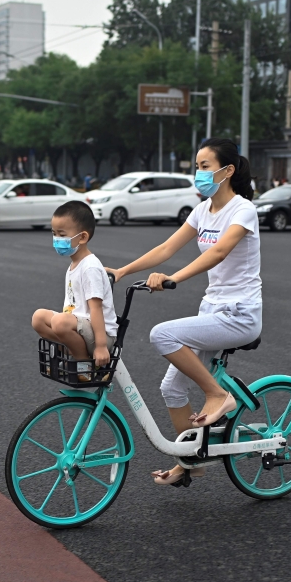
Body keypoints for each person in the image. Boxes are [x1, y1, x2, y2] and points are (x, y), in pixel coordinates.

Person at [107, 138, 262, 487]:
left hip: (240, 315)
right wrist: (121, 271)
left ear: (228, 170)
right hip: (213, 311)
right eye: (196, 166)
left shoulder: (242, 210)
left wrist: (173, 279)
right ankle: (191, 461)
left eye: (205, 166)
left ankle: (219, 395)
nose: (199, 173)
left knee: (163, 333)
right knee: (171, 390)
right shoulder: (202, 210)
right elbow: (166, 247)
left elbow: (220, 251)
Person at [32, 201, 116, 383]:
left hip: (100, 335)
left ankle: (84, 364)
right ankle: (76, 355)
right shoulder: (74, 265)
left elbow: (96, 308)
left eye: (62, 235)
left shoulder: (90, 267)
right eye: (54, 234)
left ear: (83, 237)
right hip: (81, 328)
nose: (56, 239)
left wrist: (101, 346)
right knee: (38, 318)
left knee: (60, 321)